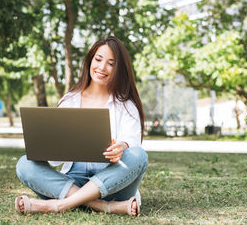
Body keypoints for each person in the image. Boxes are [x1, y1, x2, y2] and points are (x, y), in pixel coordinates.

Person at [15, 36, 148, 216]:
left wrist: (121, 147)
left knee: (139, 156)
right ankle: (102, 206)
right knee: (24, 164)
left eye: (111, 63)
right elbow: (55, 161)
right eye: (98, 59)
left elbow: (132, 145)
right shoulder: (70, 100)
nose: (102, 67)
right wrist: (47, 147)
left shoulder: (126, 105)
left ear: (119, 69)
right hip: (73, 181)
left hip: (112, 184)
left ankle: (59, 205)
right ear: (90, 61)